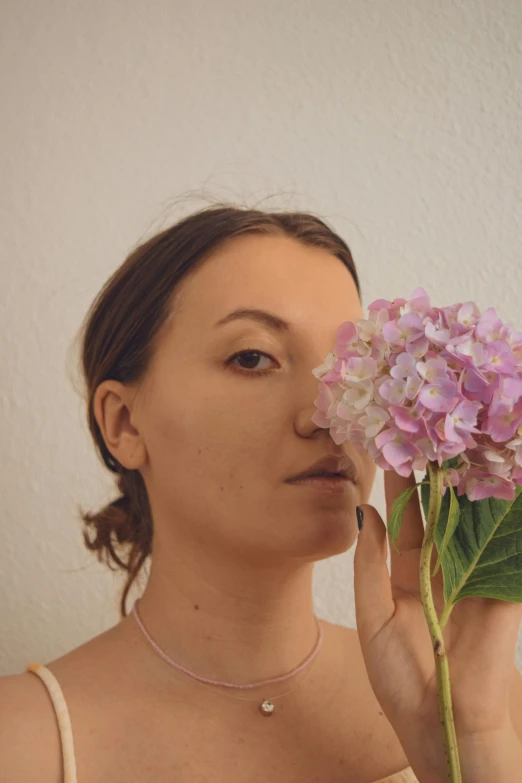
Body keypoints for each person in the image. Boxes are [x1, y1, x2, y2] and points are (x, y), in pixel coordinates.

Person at [2, 204, 521, 782]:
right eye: (253, 358)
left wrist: (470, 748)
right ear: (124, 422)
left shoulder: (492, 709)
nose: (327, 415)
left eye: (352, 369)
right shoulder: (19, 743)